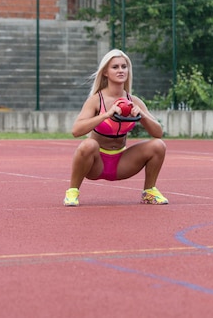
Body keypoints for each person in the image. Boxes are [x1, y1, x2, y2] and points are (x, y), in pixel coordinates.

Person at [63, 49, 168, 206]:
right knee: (88, 144)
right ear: (105, 72)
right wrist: (106, 115)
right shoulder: (95, 100)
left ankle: (149, 192)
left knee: (158, 145)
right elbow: (76, 131)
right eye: (115, 67)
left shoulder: (134, 101)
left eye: (124, 67)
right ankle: (72, 192)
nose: (121, 70)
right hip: (95, 165)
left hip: (122, 164)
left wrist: (143, 116)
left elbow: (158, 133)